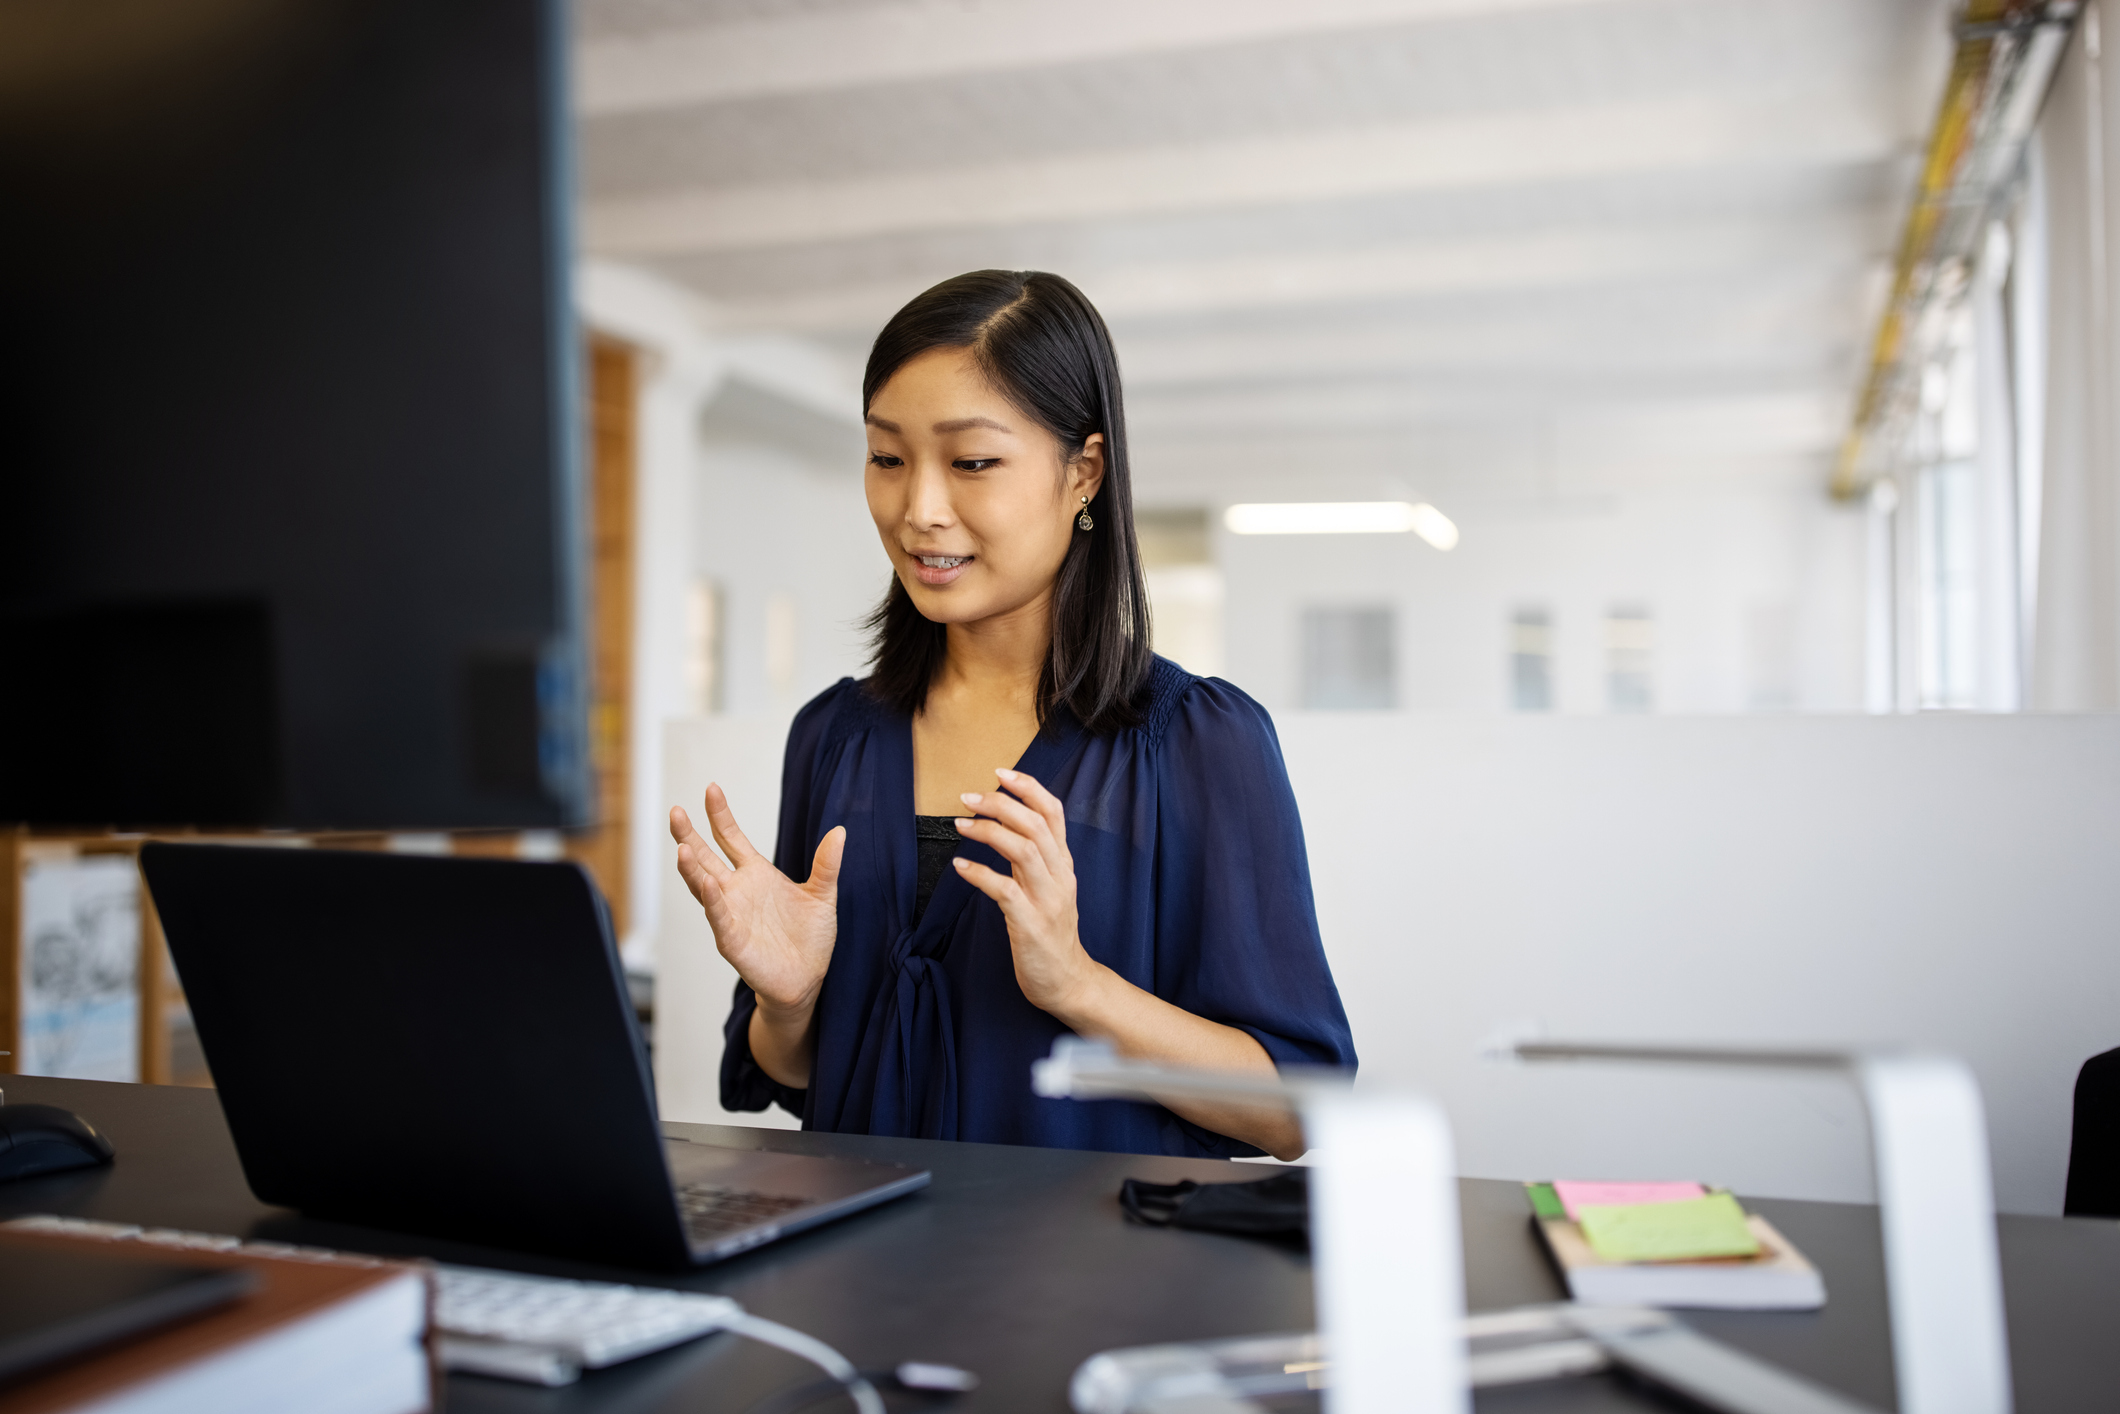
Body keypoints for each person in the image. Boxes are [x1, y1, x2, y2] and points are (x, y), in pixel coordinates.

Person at [669, 270, 1354, 1160]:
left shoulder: (1195, 743)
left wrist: (1078, 985)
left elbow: (1298, 1111)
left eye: (972, 462)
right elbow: (790, 1074)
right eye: (887, 458)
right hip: (859, 1281)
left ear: (1084, 472)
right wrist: (788, 1002)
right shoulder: (835, 736)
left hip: (1091, 1284)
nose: (918, 509)